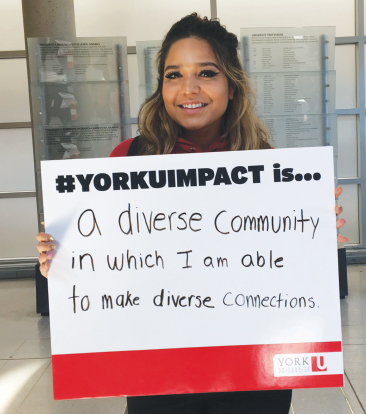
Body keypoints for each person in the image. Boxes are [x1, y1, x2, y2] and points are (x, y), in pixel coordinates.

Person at [36, 13, 348, 414]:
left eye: (206, 73)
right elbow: (105, 265)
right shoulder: (126, 160)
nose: (189, 88)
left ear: (232, 86)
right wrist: (63, 263)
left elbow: (281, 266)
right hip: (158, 370)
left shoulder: (269, 167)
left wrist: (315, 238)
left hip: (249, 371)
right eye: (173, 75)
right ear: (161, 86)